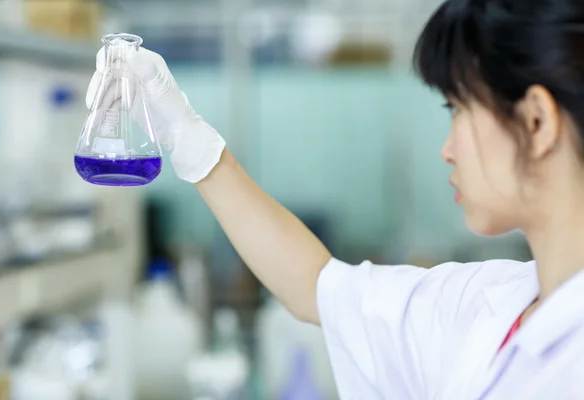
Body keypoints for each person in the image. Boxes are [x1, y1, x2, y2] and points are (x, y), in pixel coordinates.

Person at [87, 0, 584, 398]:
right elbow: (315, 286)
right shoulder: (486, 304)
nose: (447, 149)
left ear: (536, 121)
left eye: (458, 109)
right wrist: (188, 138)